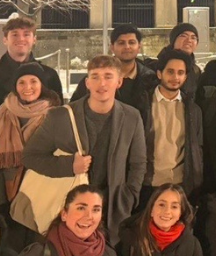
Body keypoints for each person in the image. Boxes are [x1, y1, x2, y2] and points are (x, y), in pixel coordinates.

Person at [23, 56, 147, 245]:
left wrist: (129, 196)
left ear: (119, 81)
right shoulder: (60, 116)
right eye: (95, 77)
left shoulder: (131, 116)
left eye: (108, 76)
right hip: (69, 208)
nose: (102, 83)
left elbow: (138, 162)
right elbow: (30, 156)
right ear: (87, 82)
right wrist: (69, 166)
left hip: (112, 209)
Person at [0, 63, 61, 247]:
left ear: (42, 85)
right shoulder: (1, 114)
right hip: (8, 194)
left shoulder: (57, 115)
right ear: (15, 87)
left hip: (43, 194)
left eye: (33, 81)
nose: (28, 87)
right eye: (21, 82)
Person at [0, 16, 62, 133]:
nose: (21, 39)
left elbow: (59, 119)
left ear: (34, 39)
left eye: (26, 34)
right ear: (5, 40)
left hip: (42, 147)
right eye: (15, 34)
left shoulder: (50, 76)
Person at [139, 49, 203, 204]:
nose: (176, 77)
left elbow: (197, 148)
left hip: (180, 185)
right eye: (171, 72)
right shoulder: (142, 105)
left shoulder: (193, 110)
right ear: (159, 74)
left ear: (186, 77)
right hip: (147, 184)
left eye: (181, 73)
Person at [70, 24, 155, 111]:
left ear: (139, 47)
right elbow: (74, 109)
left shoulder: (150, 78)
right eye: (121, 43)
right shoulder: (94, 78)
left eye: (131, 42)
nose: (127, 47)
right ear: (112, 47)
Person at [18, 185, 116, 256]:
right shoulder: (39, 252)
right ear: (64, 214)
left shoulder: (108, 253)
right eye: (81, 208)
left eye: (96, 210)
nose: (89, 216)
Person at [118, 184, 202, 256]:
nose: (167, 211)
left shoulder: (192, 245)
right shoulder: (131, 239)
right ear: (151, 210)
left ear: (180, 213)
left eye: (174, 207)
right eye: (161, 205)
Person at [154, 24, 205, 103]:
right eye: (183, 36)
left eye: (193, 37)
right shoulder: (155, 66)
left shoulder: (196, 71)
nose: (189, 40)